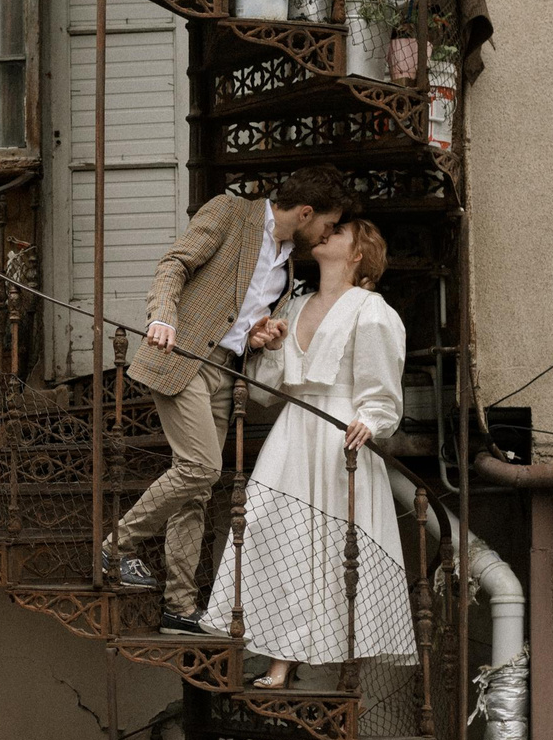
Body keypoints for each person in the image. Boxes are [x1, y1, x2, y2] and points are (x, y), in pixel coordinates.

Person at [103, 168, 352, 635]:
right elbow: (174, 264)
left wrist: (262, 335)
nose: (326, 233)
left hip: (224, 369)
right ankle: (116, 547)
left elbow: (243, 319)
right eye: (326, 223)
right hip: (181, 357)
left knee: (195, 491)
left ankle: (179, 606)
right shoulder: (230, 212)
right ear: (305, 212)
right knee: (200, 468)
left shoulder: (288, 264)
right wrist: (162, 317)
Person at [201, 216, 417, 686]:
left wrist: (370, 421)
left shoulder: (372, 311)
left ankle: (340, 662)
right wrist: (264, 347)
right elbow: (266, 390)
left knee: (337, 544)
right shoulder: (295, 306)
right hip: (293, 432)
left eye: (338, 232)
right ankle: (280, 656)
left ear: (358, 253)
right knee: (272, 533)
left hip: (339, 437)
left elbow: (382, 392)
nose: (325, 233)